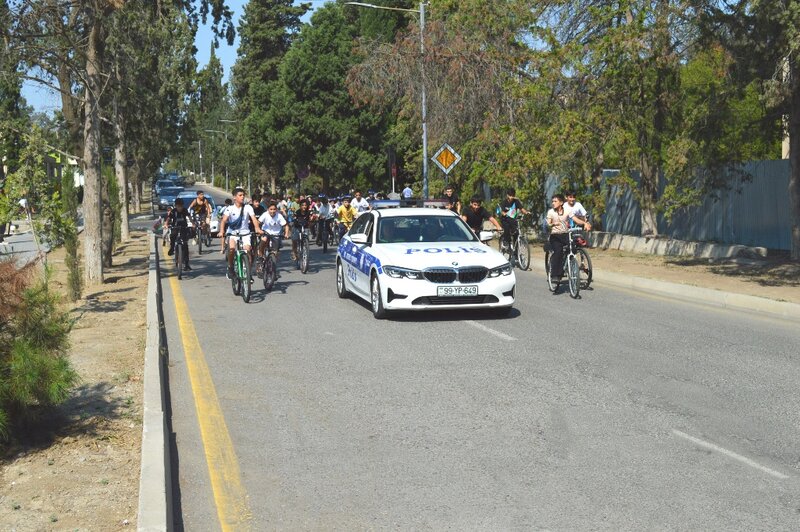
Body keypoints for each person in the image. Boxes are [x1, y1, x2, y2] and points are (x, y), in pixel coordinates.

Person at [219, 187, 262, 280]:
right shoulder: (230, 208)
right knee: (231, 249)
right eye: (240, 195)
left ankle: (248, 272)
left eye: (243, 195)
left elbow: (254, 219)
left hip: (245, 233)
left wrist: (257, 228)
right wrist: (222, 231)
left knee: (248, 250)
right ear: (234, 197)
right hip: (232, 233)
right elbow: (223, 220)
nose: (242, 197)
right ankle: (230, 267)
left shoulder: (248, 207)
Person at [546, 193, 589, 281]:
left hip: (565, 234)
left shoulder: (567, 211)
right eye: (552, 201)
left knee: (573, 248)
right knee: (558, 252)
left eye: (555, 201)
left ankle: (569, 265)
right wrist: (553, 224)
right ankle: (555, 274)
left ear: (561, 202)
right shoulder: (550, 212)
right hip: (555, 236)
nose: (553, 203)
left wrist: (585, 223)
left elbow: (576, 220)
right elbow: (548, 224)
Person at [258, 202, 289, 268]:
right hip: (266, 232)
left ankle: (273, 267)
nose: (272, 211)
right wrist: (259, 230)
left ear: (276, 210)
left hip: (276, 234)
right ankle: (260, 256)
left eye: (274, 209)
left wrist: (286, 234)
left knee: (275, 252)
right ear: (268, 209)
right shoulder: (265, 215)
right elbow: (258, 223)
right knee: (264, 240)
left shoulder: (279, 216)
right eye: (271, 209)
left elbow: (286, 226)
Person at [167, 198, 192, 271]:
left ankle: (186, 264)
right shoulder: (173, 211)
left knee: (185, 245)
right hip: (175, 227)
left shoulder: (185, 210)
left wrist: (193, 223)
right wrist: (166, 224)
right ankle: (172, 248)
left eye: (181, 206)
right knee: (172, 236)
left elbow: (189, 217)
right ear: (176, 206)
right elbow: (168, 218)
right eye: (178, 206)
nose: (180, 208)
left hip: (184, 227)